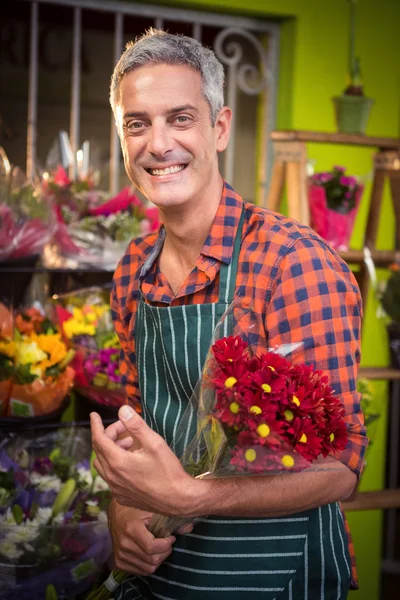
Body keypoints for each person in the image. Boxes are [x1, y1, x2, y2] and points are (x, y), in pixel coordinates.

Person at [90, 29, 367, 600]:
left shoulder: (294, 264)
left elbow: (341, 467)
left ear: (218, 128)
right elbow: (138, 425)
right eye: (137, 124)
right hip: (165, 583)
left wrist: (193, 498)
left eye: (180, 118)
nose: (157, 144)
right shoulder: (132, 273)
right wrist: (123, 513)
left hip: (278, 582)